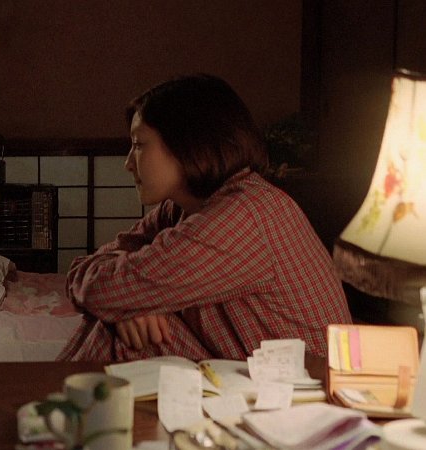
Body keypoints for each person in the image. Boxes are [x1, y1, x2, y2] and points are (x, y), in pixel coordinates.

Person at [58, 74, 351, 362]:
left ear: (188, 144)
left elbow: (103, 291)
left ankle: (46, 393)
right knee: (128, 322)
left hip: (306, 381)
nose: (127, 163)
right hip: (249, 367)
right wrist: (127, 305)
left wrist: (124, 303)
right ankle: (49, 392)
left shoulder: (242, 215)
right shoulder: (181, 208)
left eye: (139, 145)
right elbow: (90, 271)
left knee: (127, 332)